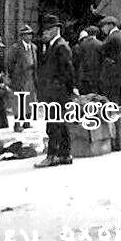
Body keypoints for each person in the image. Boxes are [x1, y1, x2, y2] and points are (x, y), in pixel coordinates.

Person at [36, 15, 77, 168]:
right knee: (62, 125)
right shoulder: (53, 45)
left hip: (57, 91)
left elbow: (68, 71)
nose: (44, 33)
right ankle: (65, 155)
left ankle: (52, 156)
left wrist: (68, 89)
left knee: (53, 125)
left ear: (55, 29)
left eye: (47, 30)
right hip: (56, 91)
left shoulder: (61, 46)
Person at [4, 24, 38, 132]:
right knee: (19, 101)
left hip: (30, 77)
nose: (29, 37)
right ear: (22, 36)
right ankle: (17, 123)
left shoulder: (33, 47)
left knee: (30, 100)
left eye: (30, 34)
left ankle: (27, 121)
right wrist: (11, 75)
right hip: (19, 77)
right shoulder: (16, 48)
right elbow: (10, 63)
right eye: (26, 35)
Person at [98, 16, 121, 105]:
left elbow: (101, 50)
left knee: (112, 104)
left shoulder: (111, 37)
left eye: (103, 26)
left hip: (113, 77)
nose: (102, 29)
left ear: (110, 25)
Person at [74, 25, 103, 95]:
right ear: (96, 33)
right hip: (96, 76)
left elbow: (77, 60)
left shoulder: (81, 45)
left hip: (83, 76)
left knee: (84, 99)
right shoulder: (100, 44)